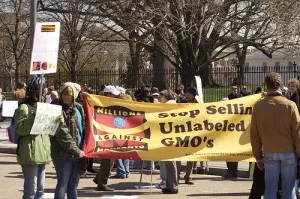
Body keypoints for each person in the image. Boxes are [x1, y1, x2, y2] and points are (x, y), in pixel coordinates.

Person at [250, 72, 300, 199]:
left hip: (269, 151)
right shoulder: (290, 105)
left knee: (270, 189)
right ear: (281, 85)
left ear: (266, 85)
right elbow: (297, 132)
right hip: (288, 151)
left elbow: (254, 134)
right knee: (289, 190)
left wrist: (258, 156)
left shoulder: (258, 106)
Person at [15, 75, 59, 199]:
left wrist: (57, 122)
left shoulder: (42, 107)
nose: (45, 94)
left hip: (42, 152)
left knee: (40, 191)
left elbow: (49, 131)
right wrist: (34, 116)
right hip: (30, 153)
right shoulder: (24, 108)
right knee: (31, 191)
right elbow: (20, 129)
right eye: (43, 91)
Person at [51, 82, 86, 199]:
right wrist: (76, 150)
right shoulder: (57, 110)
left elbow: (84, 129)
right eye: (64, 94)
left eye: (69, 94)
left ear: (74, 95)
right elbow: (63, 135)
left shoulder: (79, 108)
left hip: (78, 153)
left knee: (73, 185)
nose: (66, 97)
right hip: (62, 154)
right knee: (63, 184)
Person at [93, 85, 120, 191]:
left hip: (111, 134)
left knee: (110, 161)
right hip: (105, 136)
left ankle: (99, 178)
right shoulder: (102, 104)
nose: (116, 97)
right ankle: (102, 183)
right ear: (107, 94)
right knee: (107, 161)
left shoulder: (112, 104)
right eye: (113, 95)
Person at [158, 89, 180, 194]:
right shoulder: (172, 105)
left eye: (160, 97)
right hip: (170, 136)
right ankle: (170, 185)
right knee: (170, 163)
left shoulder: (168, 106)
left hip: (169, 137)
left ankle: (172, 187)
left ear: (166, 97)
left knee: (170, 162)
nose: (158, 99)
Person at [223, 85, 243, 179]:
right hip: (228, 135)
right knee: (228, 155)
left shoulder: (240, 96)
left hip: (234, 135)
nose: (235, 90)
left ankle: (233, 172)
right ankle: (230, 171)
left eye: (236, 89)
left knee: (233, 155)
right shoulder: (229, 97)